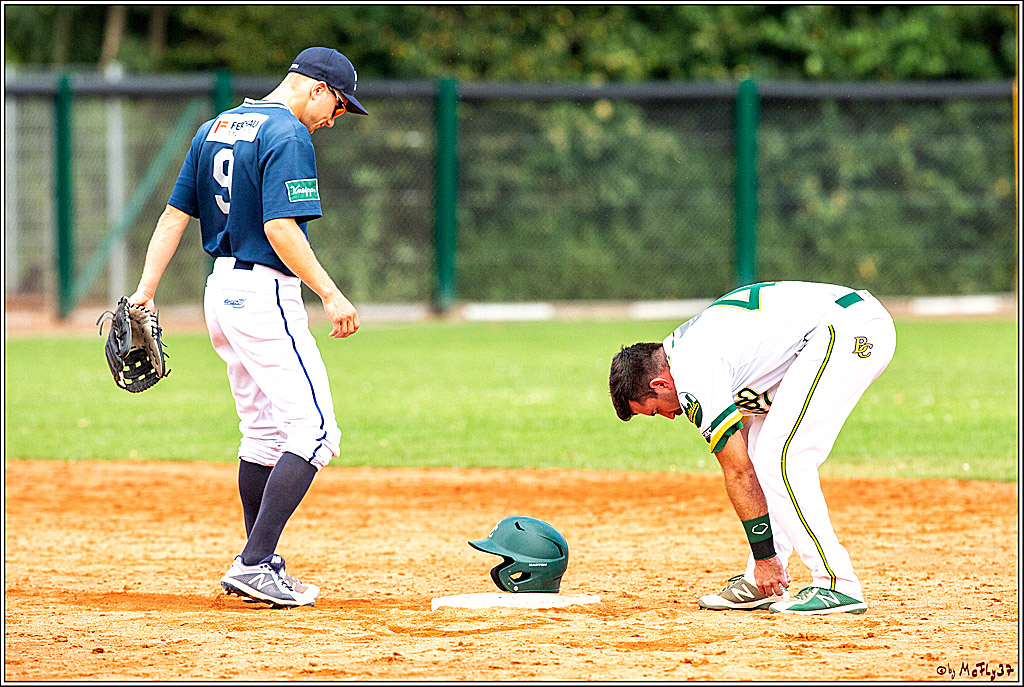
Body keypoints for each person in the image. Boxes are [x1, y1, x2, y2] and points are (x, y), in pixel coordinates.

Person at [127, 47, 368, 608]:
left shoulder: (216, 126)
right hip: (264, 295)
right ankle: (254, 562)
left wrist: (144, 293)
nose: (334, 119)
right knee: (316, 432)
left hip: (220, 293)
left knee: (262, 433)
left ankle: (259, 562)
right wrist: (330, 293)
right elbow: (281, 227)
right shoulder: (288, 133)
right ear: (317, 88)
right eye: (338, 105)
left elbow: (174, 216)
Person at [608, 281, 896, 615]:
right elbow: (743, 446)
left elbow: (737, 470)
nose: (671, 416)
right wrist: (763, 563)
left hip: (848, 329)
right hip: (837, 328)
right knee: (765, 456)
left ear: (659, 383)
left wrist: (765, 558)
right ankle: (764, 584)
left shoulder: (691, 370)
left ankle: (836, 583)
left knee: (782, 458)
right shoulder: (685, 351)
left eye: (657, 409)